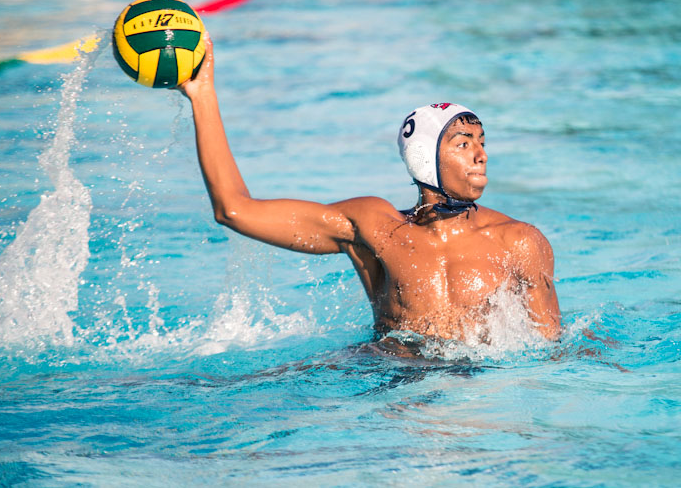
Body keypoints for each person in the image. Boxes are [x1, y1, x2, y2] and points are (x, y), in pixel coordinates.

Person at [178, 34, 561, 344]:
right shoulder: (376, 227)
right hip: (388, 376)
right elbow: (233, 210)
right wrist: (203, 94)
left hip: (479, 387)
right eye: (464, 144)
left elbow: (549, 349)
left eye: (482, 142)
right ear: (425, 158)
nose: (482, 155)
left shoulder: (519, 242)